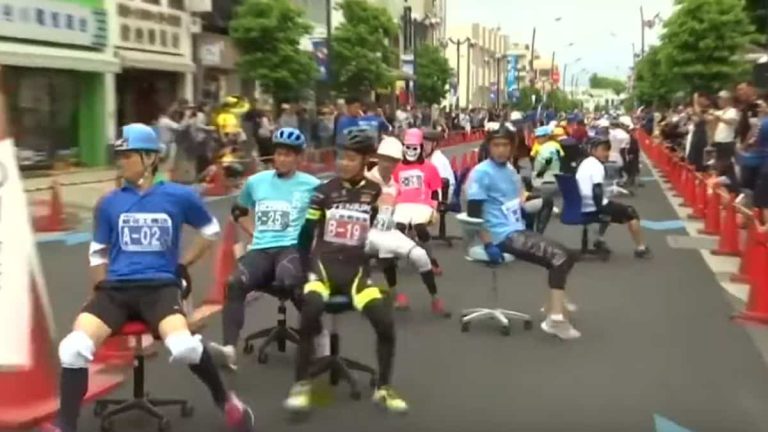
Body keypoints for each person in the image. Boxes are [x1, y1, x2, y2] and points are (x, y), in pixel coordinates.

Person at [40, 124, 255, 432]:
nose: (121, 161)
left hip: (160, 289)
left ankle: (226, 402)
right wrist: (99, 288)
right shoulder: (109, 202)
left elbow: (211, 231)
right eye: (120, 155)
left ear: (150, 158)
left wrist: (183, 265)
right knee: (72, 348)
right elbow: (98, 252)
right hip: (115, 290)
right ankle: (65, 425)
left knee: (183, 347)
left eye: (128, 155)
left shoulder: (179, 196)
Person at [283, 129, 409, 414]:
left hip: (356, 275)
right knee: (310, 312)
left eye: (350, 158)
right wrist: (302, 271)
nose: (342, 163)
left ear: (366, 160)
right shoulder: (322, 192)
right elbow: (306, 234)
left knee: (385, 323)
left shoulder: (374, 192)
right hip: (323, 270)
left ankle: (384, 389)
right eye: (340, 157)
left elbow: (374, 227)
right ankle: (301, 385)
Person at [208, 127, 327, 370]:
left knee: (290, 280)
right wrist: (253, 232)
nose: (282, 159)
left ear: (298, 158)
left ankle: (318, 337)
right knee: (234, 283)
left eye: (288, 155)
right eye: (279, 154)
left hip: (292, 248)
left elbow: (328, 216)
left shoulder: (312, 184)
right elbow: (238, 211)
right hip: (262, 249)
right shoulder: (256, 182)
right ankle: (229, 349)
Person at [465, 126, 581, 340]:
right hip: (500, 235)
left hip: (516, 228)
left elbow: (518, 198)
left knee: (569, 255)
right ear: (488, 147)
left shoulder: (510, 171)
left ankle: (552, 304)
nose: (501, 150)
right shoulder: (481, 173)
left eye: (505, 145)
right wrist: (488, 243)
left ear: (512, 147)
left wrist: (537, 201)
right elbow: (474, 215)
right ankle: (555, 319)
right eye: (496, 145)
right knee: (558, 257)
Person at [366, 136, 450, 315]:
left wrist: (430, 209)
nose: (388, 164)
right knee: (386, 255)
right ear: (378, 157)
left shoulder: (395, 184)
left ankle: (435, 299)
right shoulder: (367, 180)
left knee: (420, 256)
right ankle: (395, 295)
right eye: (385, 159)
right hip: (368, 233)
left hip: (388, 230)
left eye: (393, 161)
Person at [575, 137, 652, 258]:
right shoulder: (597, 166)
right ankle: (641, 248)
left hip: (580, 204)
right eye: (603, 150)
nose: (607, 153)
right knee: (631, 213)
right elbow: (597, 190)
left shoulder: (584, 163)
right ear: (593, 150)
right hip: (593, 205)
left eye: (608, 150)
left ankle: (598, 239)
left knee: (611, 208)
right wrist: (601, 208)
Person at [392, 128, 443, 273]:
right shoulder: (398, 167)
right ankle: (396, 257)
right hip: (402, 205)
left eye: (414, 148)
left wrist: (435, 207)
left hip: (423, 205)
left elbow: (436, 189)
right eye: (407, 147)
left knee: (419, 227)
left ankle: (430, 259)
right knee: (399, 228)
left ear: (420, 148)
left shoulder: (429, 167)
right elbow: (394, 187)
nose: (411, 151)